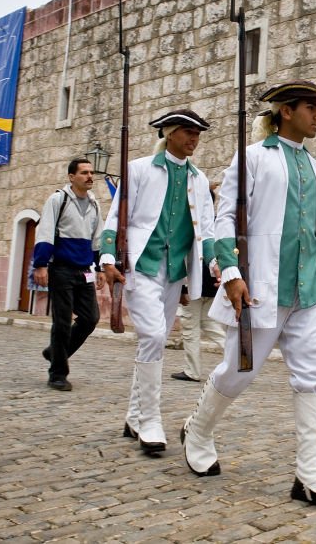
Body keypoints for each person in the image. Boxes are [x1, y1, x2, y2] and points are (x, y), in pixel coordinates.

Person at [181, 80, 316, 513]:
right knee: (240, 370)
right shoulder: (253, 157)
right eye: (311, 107)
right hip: (261, 291)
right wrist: (232, 273)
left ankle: (309, 473)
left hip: (309, 291)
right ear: (286, 111)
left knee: (314, 377)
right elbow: (224, 218)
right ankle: (198, 430)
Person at [101, 109, 215, 455]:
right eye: (187, 132)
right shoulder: (138, 170)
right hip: (142, 265)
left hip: (174, 272)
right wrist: (107, 258)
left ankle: (134, 416)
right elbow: (117, 217)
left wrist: (216, 264)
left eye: (197, 134)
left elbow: (206, 231)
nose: (193, 139)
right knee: (152, 335)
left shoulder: (199, 180)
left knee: (155, 340)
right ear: (168, 133)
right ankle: (150, 420)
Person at [33, 158, 106, 392]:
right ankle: (57, 374)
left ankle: (55, 353)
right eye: (84, 172)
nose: (89, 176)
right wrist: (41, 264)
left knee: (90, 318)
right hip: (61, 269)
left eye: (91, 172)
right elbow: (45, 232)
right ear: (71, 177)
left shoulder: (95, 205)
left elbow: (97, 239)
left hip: (85, 271)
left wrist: (100, 268)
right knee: (62, 322)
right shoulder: (58, 200)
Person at [172, 185, 226, 383]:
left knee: (190, 327)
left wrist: (183, 286)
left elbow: (185, 258)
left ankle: (192, 370)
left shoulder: (189, 225)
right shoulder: (218, 222)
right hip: (212, 283)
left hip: (195, 283)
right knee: (209, 323)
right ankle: (240, 358)